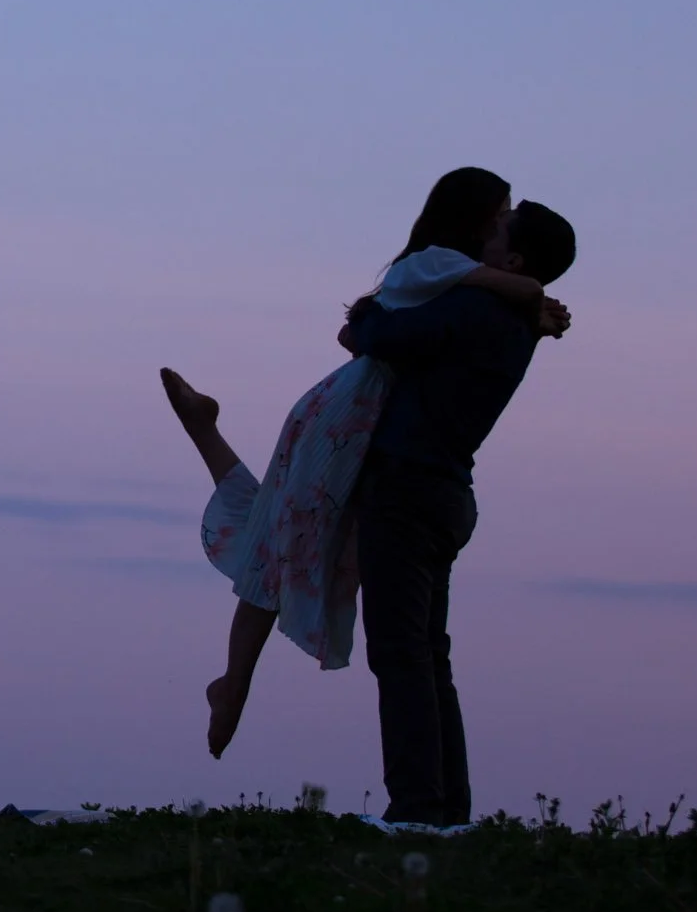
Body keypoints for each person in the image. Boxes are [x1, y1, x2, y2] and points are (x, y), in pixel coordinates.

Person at [159, 169, 571, 760]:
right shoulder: (443, 270)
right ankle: (235, 683)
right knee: (281, 539)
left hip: (358, 423)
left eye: (506, 217)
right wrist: (529, 295)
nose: (499, 221)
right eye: (498, 210)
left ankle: (204, 433)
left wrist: (528, 301)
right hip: (346, 419)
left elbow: (394, 329)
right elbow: (387, 327)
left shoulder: (465, 289)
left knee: (279, 535)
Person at [341, 193, 576, 825]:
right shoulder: (516, 320)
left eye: (498, 228)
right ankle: (446, 808)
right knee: (428, 654)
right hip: (444, 493)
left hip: (406, 489)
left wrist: (362, 314)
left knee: (400, 654)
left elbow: (382, 335)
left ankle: (417, 807)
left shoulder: (476, 308)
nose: (483, 233)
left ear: (514, 259)